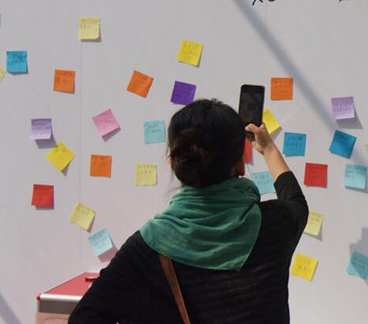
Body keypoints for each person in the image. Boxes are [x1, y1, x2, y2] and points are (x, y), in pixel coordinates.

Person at [69, 99, 308, 323]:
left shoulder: (148, 247)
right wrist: (268, 149)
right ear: (240, 165)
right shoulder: (276, 225)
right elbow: (295, 200)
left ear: (174, 164)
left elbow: (85, 317)